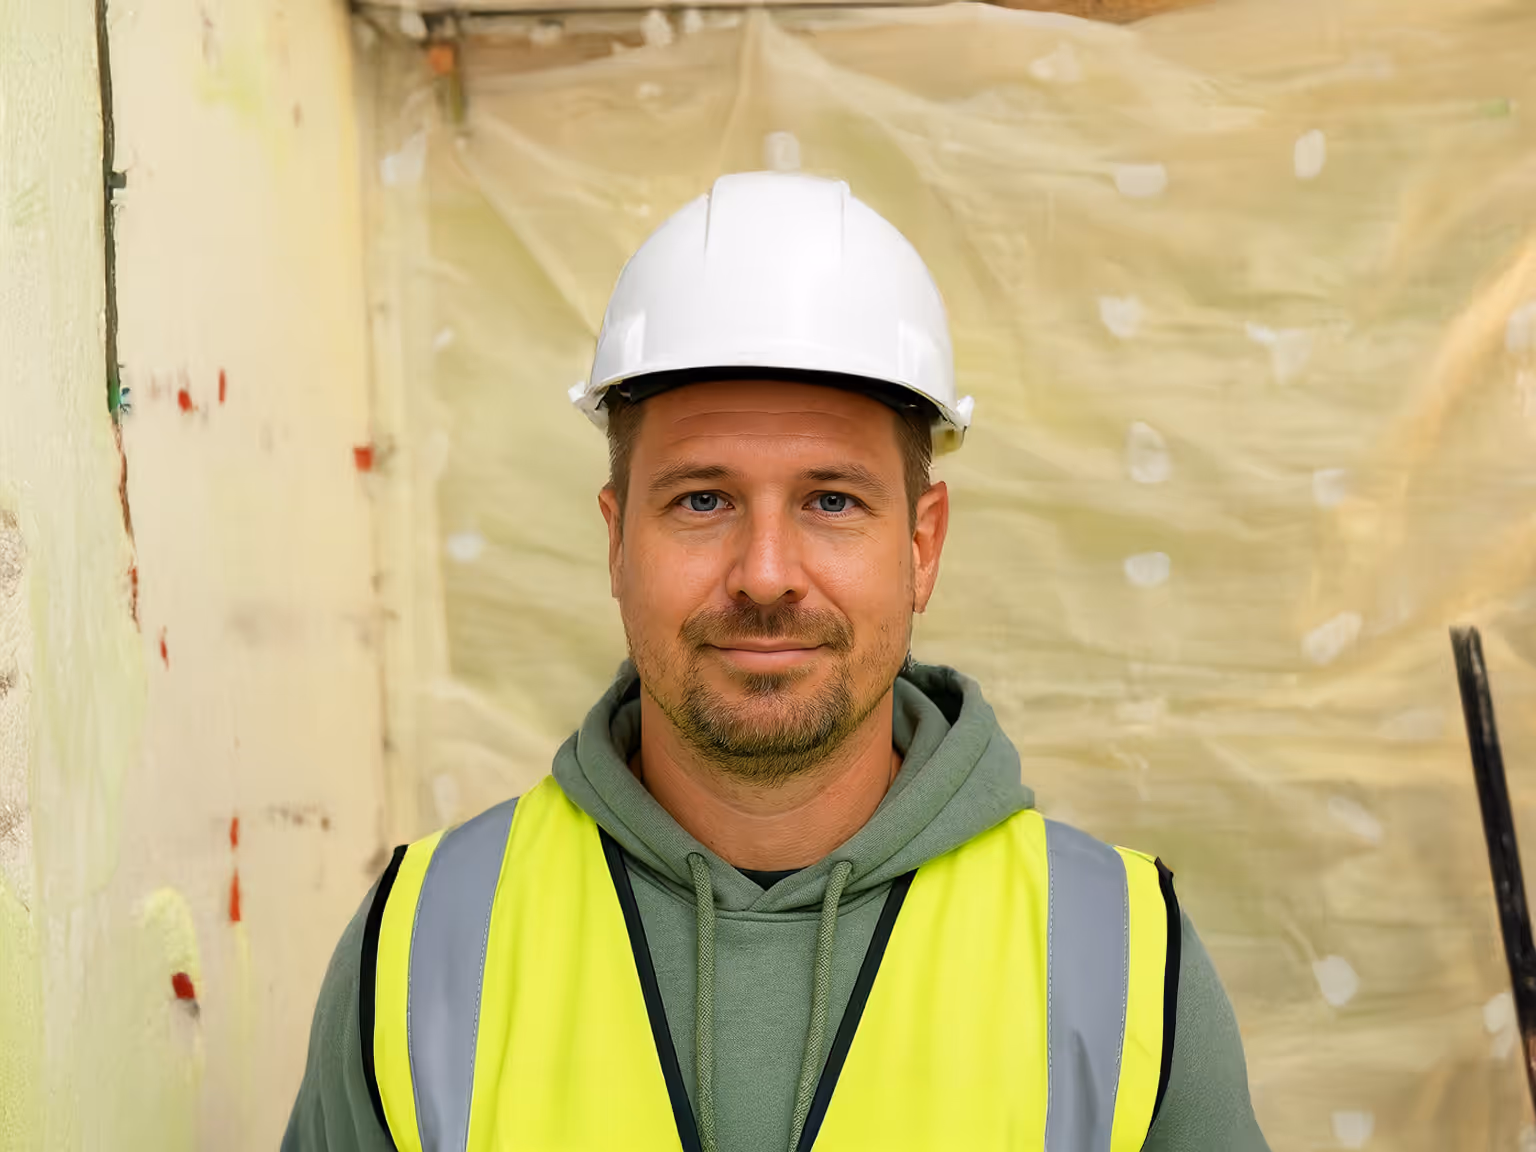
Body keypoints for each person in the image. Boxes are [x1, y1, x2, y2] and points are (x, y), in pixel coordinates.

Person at [284, 171, 1268, 1152]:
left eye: (831, 500)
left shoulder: (1123, 957)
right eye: (702, 500)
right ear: (616, 538)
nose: (764, 575)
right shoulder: (422, 946)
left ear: (922, 545)